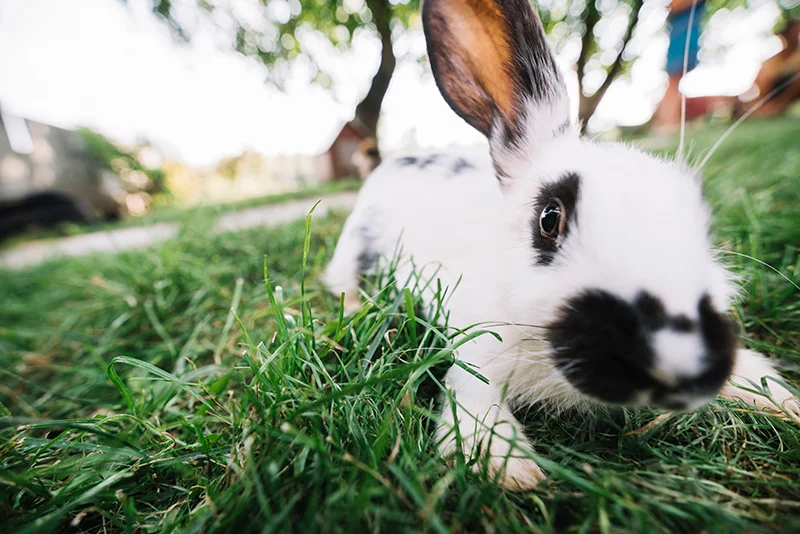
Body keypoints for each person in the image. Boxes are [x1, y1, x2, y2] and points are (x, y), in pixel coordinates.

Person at [652, 0, 707, 133]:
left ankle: (670, 121)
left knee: (678, 79)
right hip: (681, 34)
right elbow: (673, 5)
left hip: (691, 32)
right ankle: (666, 123)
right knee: (674, 79)